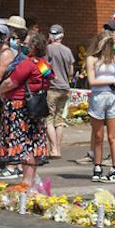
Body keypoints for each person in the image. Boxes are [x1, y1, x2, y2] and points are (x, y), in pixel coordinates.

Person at [0, 33, 51, 184]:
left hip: (20, 108)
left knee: (23, 144)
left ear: (33, 46)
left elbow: (11, 82)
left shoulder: (28, 64)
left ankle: (26, 182)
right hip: (36, 107)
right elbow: (48, 80)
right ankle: (29, 180)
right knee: (33, 143)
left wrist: (0, 90)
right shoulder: (43, 64)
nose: (23, 46)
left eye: (26, 44)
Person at [85, 32, 115, 183]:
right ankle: (97, 166)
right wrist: (111, 80)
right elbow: (92, 81)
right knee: (98, 136)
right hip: (98, 97)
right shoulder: (92, 59)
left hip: (112, 98)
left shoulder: (114, 58)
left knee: (112, 136)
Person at [44, 25, 74, 161]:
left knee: (49, 119)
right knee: (59, 120)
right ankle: (58, 148)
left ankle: (53, 149)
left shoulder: (48, 49)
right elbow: (71, 71)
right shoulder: (67, 50)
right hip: (65, 88)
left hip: (52, 87)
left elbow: (42, 67)